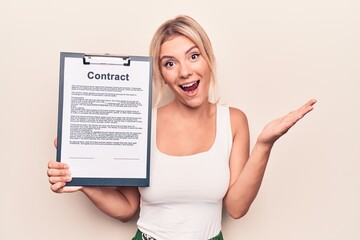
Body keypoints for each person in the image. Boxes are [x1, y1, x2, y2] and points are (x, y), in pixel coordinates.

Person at [47, 15, 316, 240]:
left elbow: (236, 208)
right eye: (170, 63)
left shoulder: (233, 121)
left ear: (209, 59)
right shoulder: (141, 123)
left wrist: (264, 145)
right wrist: (82, 181)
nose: (184, 71)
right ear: (162, 76)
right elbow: (128, 208)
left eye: (194, 56)